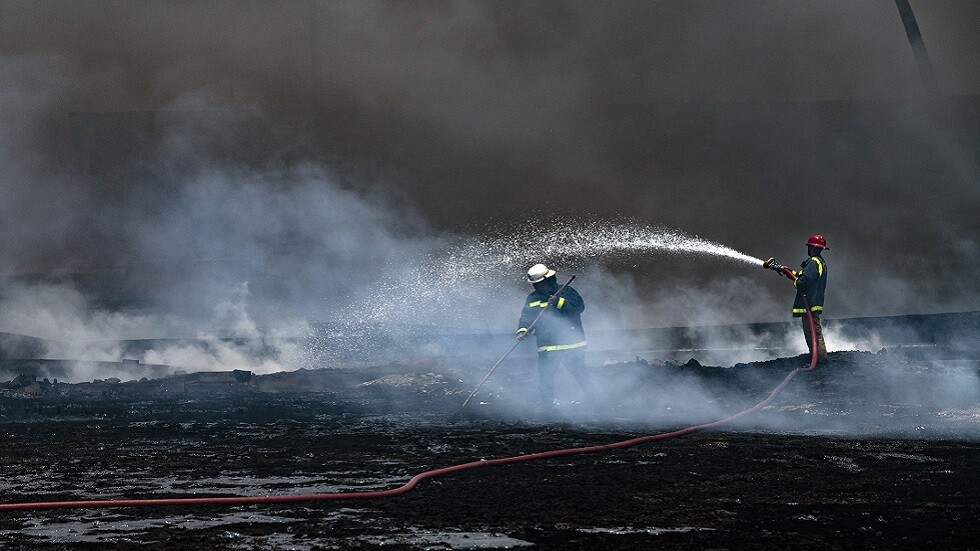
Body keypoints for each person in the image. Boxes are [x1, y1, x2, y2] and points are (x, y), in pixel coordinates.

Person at [516, 264, 591, 408]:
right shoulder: (532, 298)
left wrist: (558, 302)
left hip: (572, 346)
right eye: (536, 285)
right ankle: (547, 407)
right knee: (546, 379)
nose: (537, 287)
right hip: (547, 348)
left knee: (581, 375)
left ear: (548, 280)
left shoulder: (567, 291)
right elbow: (526, 318)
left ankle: (594, 400)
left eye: (539, 284)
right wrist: (522, 330)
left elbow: (578, 308)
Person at [767, 235, 829, 363]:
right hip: (813, 303)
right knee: (812, 332)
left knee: (813, 333)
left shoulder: (813, 262)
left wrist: (797, 282)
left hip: (810, 304)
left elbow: (803, 282)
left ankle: (820, 360)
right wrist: (785, 270)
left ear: (811, 248)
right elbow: (801, 275)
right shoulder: (819, 262)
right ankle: (817, 358)